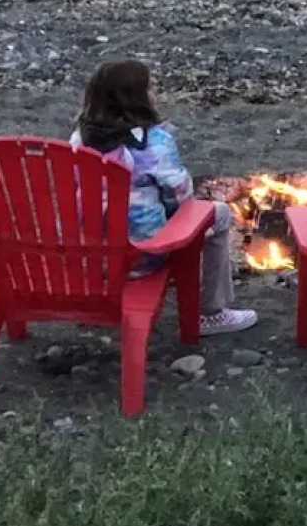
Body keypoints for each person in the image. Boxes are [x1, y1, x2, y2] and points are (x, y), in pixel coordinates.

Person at [71, 59, 257, 336]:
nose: (153, 93)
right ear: (136, 98)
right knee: (219, 213)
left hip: (94, 258)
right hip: (143, 256)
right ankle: (211, 312)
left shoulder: (79, 140)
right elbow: (181, 197)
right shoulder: (154, 142)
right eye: (149, 88)